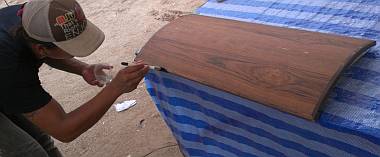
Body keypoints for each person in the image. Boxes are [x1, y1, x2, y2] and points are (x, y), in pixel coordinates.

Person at [0, 0, 149, 156]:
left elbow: (43, 51)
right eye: (71, 47)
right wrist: (115, 88)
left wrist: (83, 69)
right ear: (41, 48)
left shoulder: (33, 17)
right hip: (6, 75)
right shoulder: (10, 67)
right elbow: (64, 130)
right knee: (30, 152)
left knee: (41, 139)